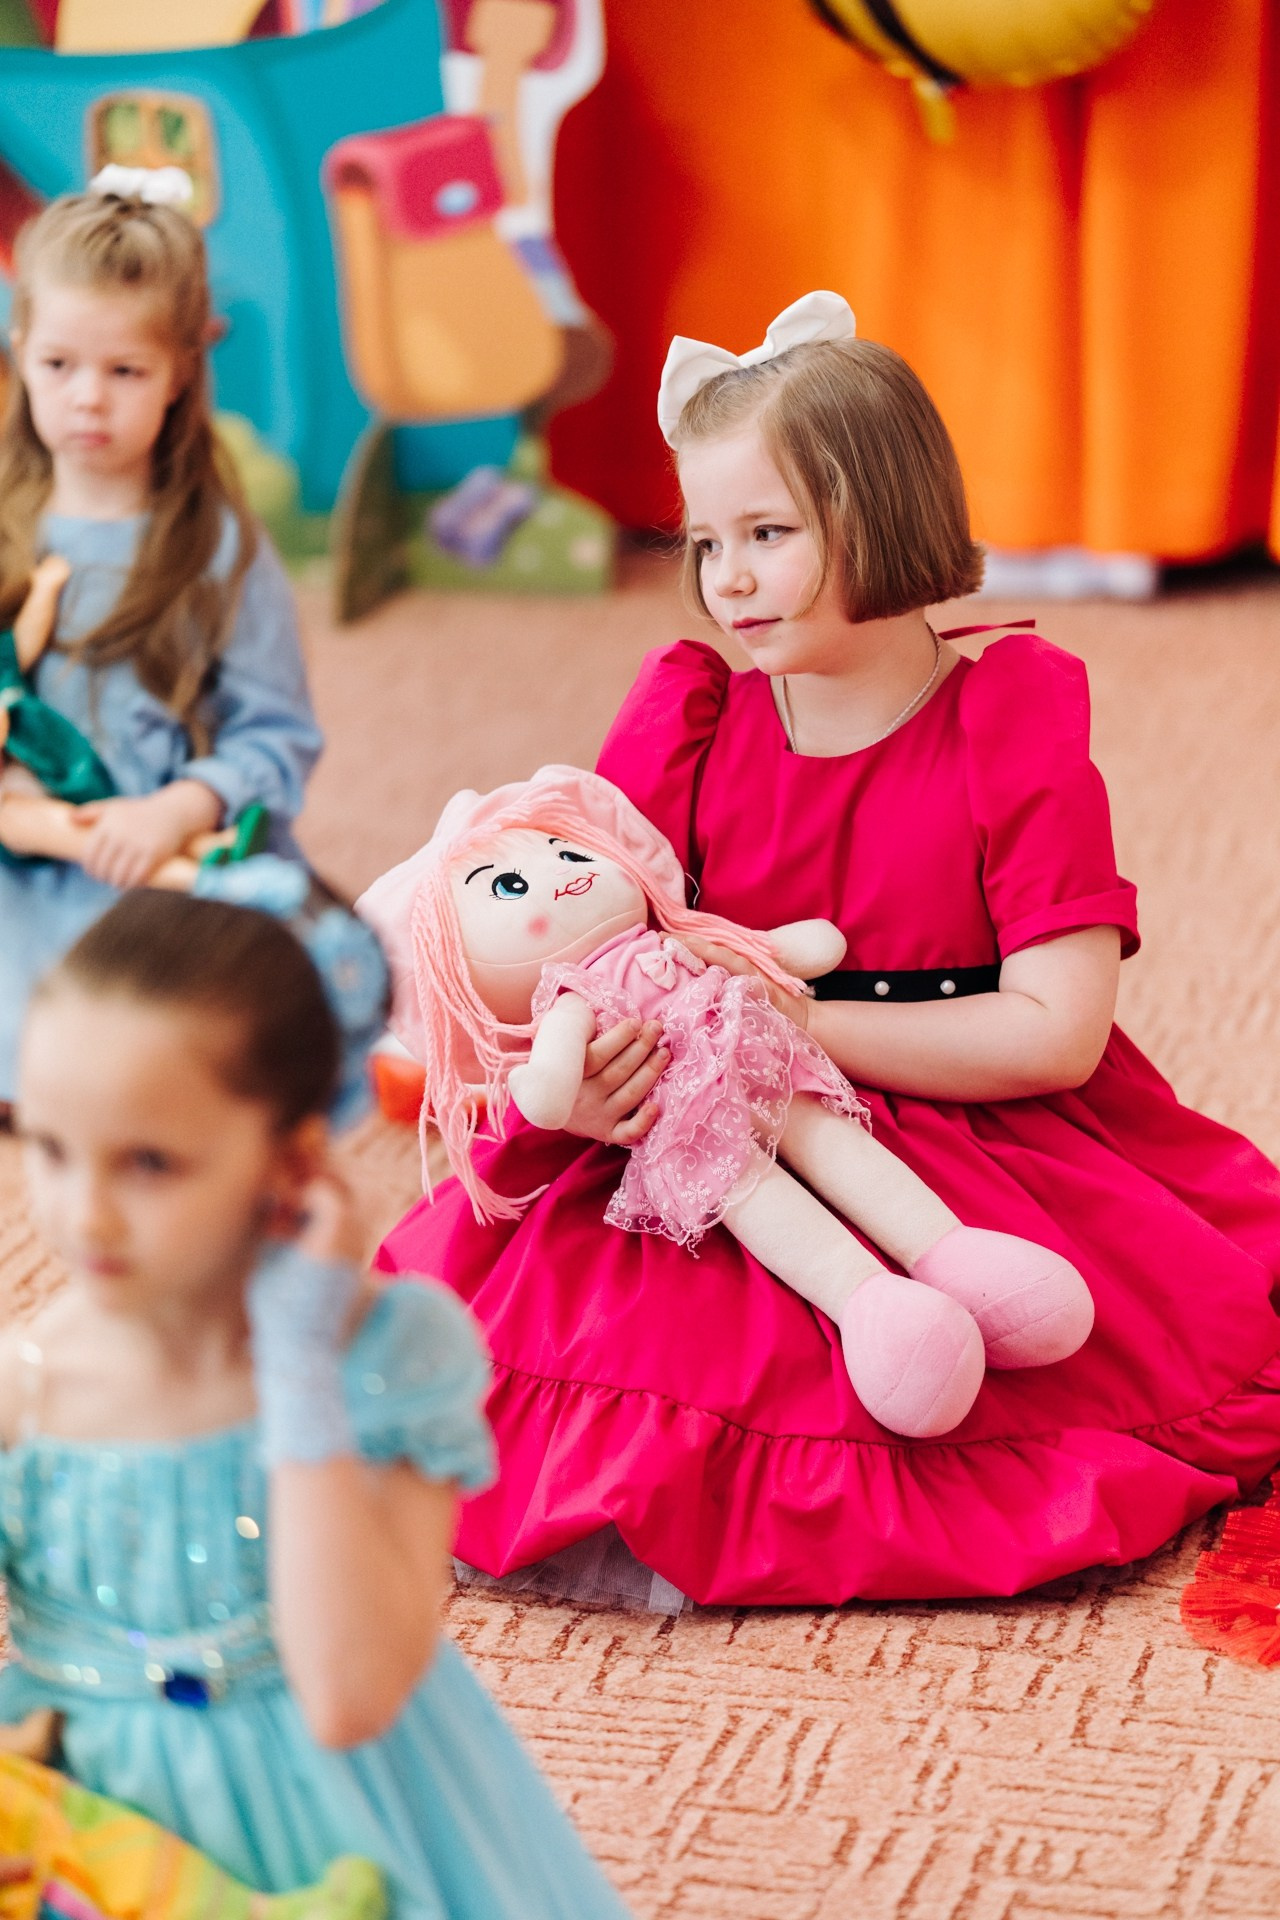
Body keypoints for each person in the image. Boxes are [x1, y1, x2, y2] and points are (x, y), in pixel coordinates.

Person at [377, 291, 1280, 1608]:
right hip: (714, 1133)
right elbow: (589, 939)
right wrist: (596, 1064)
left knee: (1041, 1357)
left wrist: (789, 1024)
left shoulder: (1007, 721)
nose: (728, 577)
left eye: (769, 533)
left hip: (962, 1113)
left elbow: (1054, 1032)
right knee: (574, 1339)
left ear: (883, 512)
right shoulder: (687, 715)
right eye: (706, 541)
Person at [0, 881, 631, 1919]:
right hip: (97, 1847)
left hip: (341, 1821)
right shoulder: (29, 1384)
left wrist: (298, 1372)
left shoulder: (384, 1358)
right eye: (49, 1148)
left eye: (149, 1163)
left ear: (291, 1161)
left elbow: (346, 1696)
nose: (84, 1214)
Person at [0, 176, 323, 1113]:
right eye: (59, 365)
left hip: (159, 856)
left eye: (125, 371)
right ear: (20, 353)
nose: (87, 399)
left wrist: (173, 812)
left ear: (181, 370)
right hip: (26, 858)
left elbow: (278, 737)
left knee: (194, 1036)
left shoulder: (217, 547)